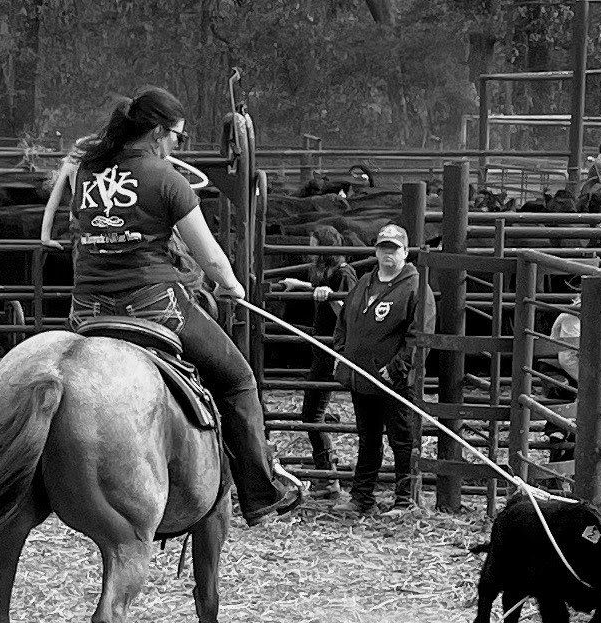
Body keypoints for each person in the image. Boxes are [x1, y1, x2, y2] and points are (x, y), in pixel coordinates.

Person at [39, 86, 301, 527]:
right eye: (176, 136)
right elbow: (210, 257)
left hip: (86, 309)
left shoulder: (86, 172)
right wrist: (233, 285)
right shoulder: (167, 179)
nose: (177, 144)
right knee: (238, 380)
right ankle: (259, 491)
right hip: (153, 303)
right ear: (158, 132)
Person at [332, 222, 436, 516]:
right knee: (369, 437)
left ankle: (406, 500)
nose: (387, 254)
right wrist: (341, 353)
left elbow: (420, 336)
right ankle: (362, 496)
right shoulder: (365, 281)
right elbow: (345, 321)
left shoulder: (416, 286)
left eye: (394, 248)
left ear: (405, 252)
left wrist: (397, 368)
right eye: (383, 248)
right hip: (362, 375)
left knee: (401, 438)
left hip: (393, 380)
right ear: (376, 251)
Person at [280, 225, 356, 497]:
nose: (310, 253)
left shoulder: (344, 274)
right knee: (312, 414)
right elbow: (320, 288)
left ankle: (330, 477)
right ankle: (328, 476)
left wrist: (330, 296)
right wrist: (300, 284)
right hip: (322, 350)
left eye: (314, 247)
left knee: (312, 414)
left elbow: (350, 313)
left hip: (331, 352)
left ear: (324, 250)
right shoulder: (332, 274)